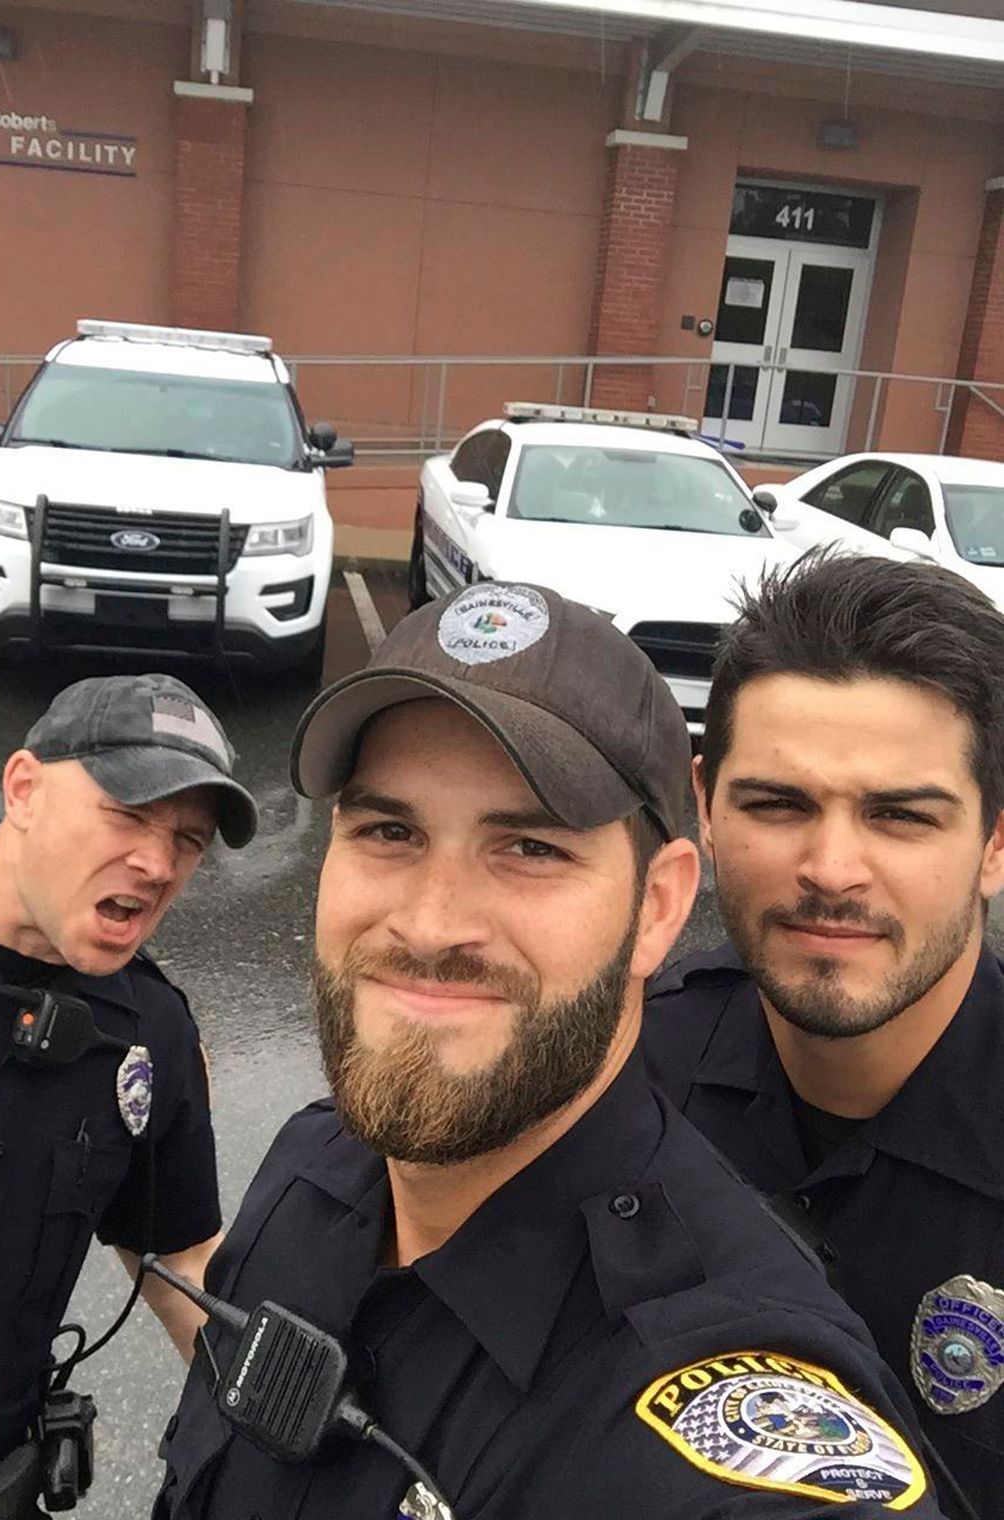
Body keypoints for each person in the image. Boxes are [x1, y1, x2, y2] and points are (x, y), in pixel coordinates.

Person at [155, 582, 950, 1519]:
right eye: (390, 830)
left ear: (656, 908)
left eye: (530, 848)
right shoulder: (309, 1166)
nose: (430, 921)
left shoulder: (731, 1409)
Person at [643, 550, 1004, 1519]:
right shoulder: (615, 1075)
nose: (832, 867)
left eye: (899, 815)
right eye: (779, 802)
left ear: (997, 842)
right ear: (706, 806)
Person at [0, 672, 257, 1520]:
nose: (157, 865)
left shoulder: (151, 1032)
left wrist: (289, 1453)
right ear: (23, 789)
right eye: (128, 816)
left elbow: (181, 1265)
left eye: (187, 841)